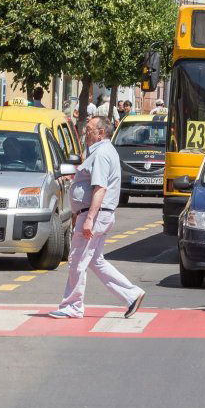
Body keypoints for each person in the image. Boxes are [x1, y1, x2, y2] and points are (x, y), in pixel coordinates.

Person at [49, 115, 146, 320]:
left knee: (77, 259)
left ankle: (73, 306)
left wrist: (89, 217)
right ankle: (132, 294)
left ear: (101, 133)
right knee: (95, 260)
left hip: (95, 214)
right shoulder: (101, 152)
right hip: (98, 214)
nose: (86, 132)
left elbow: (100, 188)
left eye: (90, 129)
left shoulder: (101, 154)